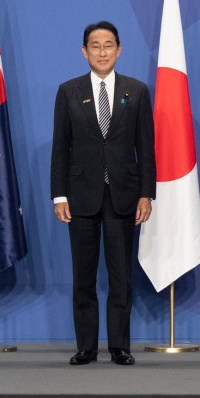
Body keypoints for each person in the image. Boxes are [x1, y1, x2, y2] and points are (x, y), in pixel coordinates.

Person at [51, 21, 155, 366]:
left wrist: (146, 194)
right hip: (80, 196)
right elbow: (60, 149)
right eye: (94, 46)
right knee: (83, 274)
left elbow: (146, 147)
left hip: (124, 195)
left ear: (119, 49)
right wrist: (58, 195)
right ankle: (86, 346)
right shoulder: (68, 91)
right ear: (84, 52)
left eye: (108, 45)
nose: (102, 52)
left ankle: (120, 346)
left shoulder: (136, 91)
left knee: (120, 275)